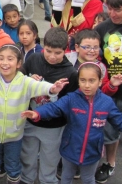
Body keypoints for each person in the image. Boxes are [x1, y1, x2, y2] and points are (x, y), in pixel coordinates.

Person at [0, 42, 69, 184]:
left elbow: (41, 86)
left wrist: (53, 88)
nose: (5, 63)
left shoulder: (25, 82)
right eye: (1, 58)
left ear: (18, 63)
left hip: (14, 136)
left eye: (10, 59)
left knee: (13, 165)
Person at [21, 62, 122, 184]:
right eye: (83, 80)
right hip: (70, 149)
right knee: (66, 177)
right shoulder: (71, 98)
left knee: (88, 179)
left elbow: (121, 122)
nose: (87, 85)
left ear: (100, 82)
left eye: (92, 81)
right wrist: (38, 113)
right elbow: (55, 108)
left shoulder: (107, 102)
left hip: (92, 152)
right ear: (78, 81)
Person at [20, 27, 79, 184]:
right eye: (48, 51)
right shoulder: (33, 60)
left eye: (57, 53)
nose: (52, 56)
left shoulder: (71, 73)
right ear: (43, 46)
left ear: (65, 50)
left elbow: (68, 103)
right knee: (27, 157)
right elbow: (19, 81)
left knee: (50, 160)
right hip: (30, 120)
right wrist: (28, 79)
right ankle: (27, 180)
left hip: (54, 126)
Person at [93, 0, 122, 183]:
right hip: (109, 93)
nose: (112, 13)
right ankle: (110, 163)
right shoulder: (101, 29)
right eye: (109, 8)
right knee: (109, 132)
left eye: (118, 9)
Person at [74, 29, 122, 96]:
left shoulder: (101, 67)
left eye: (96, 47)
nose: (92, 51)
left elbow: (103, 91)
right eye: (87, 47)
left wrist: (111, 85)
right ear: (77, 47)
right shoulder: (70, 61)